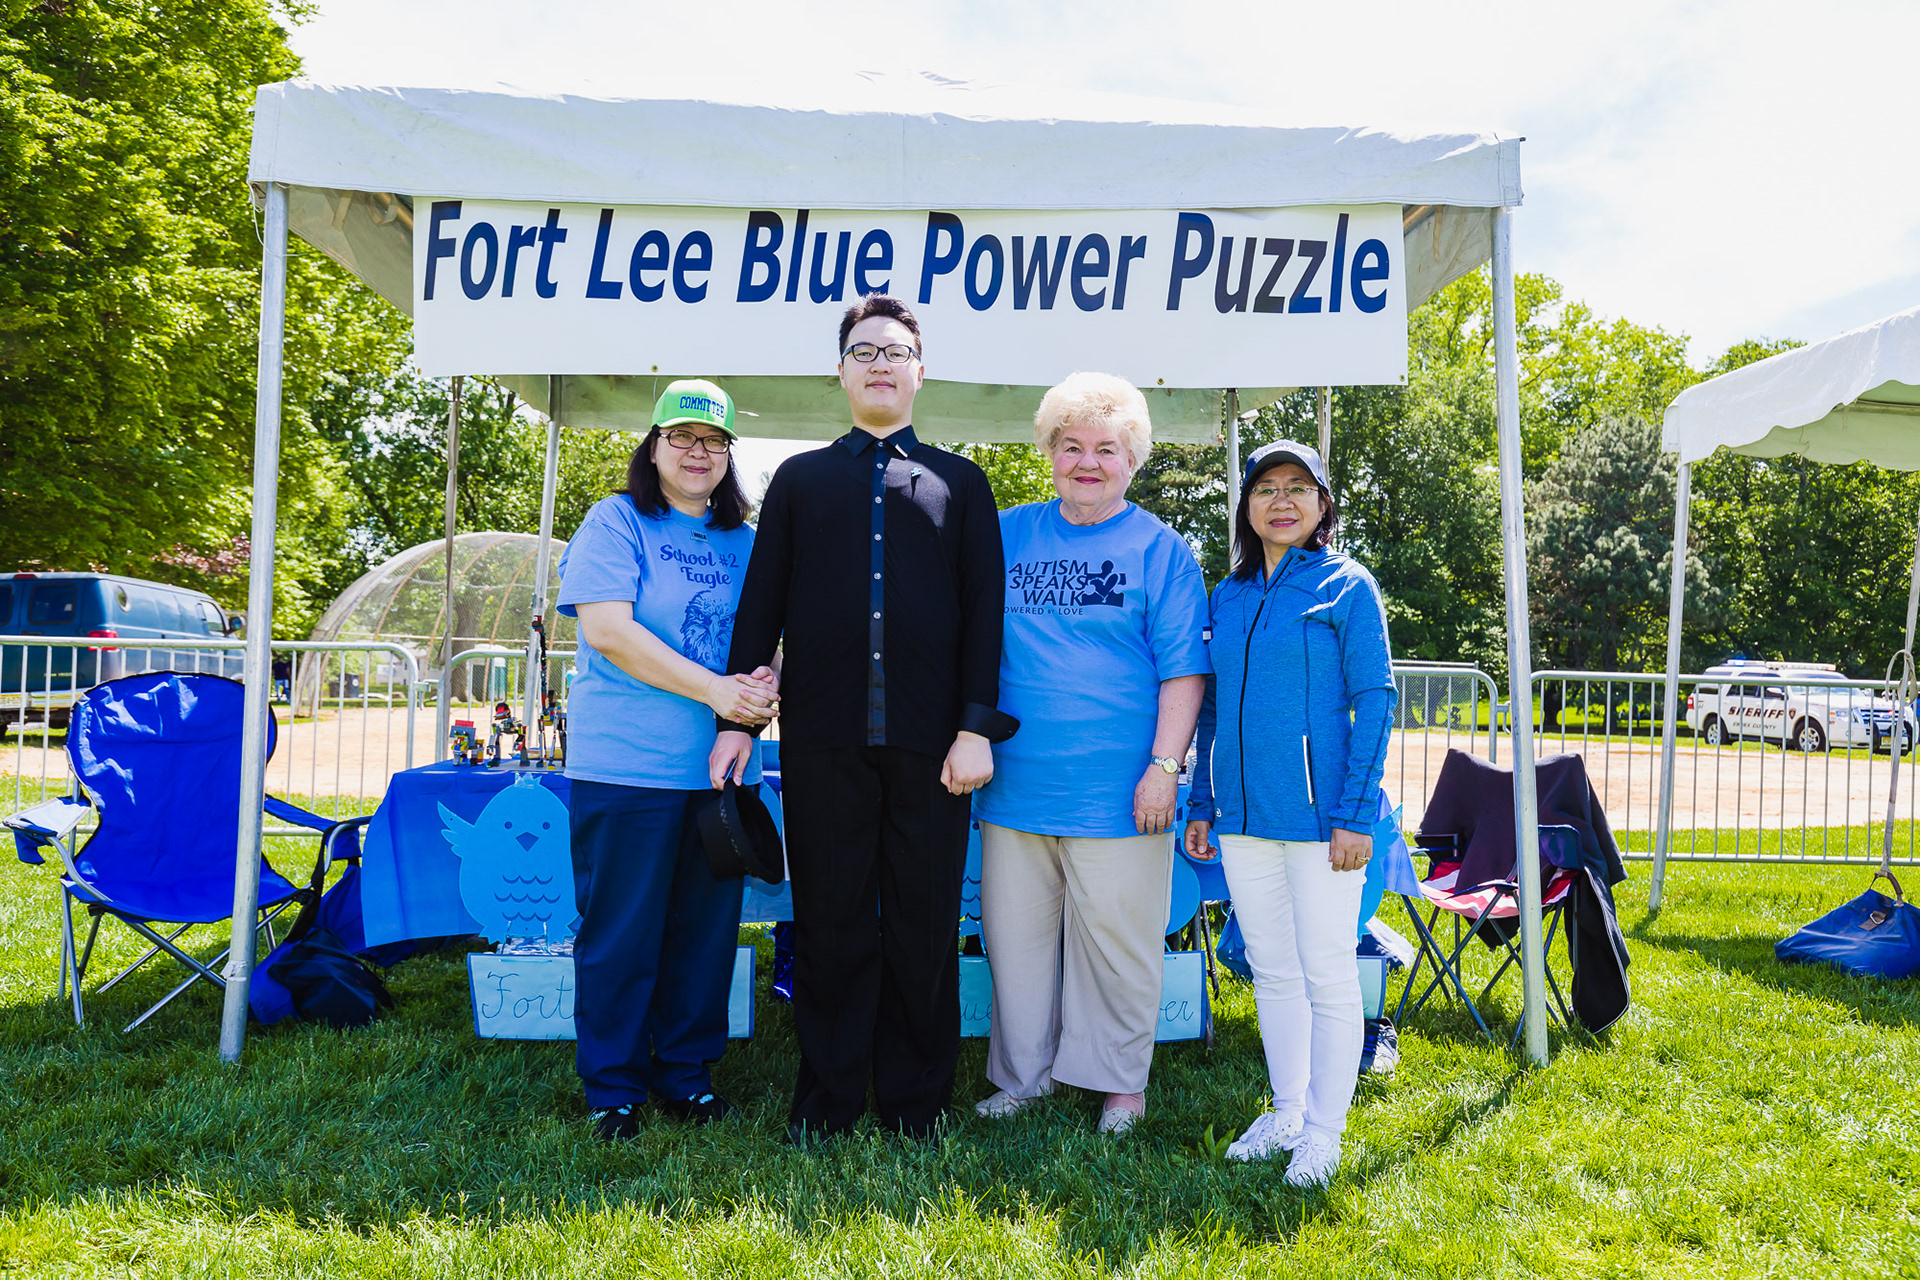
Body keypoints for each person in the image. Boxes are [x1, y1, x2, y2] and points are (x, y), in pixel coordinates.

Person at [712, 294, 1015, 1145]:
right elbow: (762, 604)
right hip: (822, 739)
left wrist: (974, 728)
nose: (881, 364)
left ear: (920, 370)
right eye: (864, 352)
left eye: (895, 351)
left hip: (934, 745)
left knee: (924, 924)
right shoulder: (800, 481)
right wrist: (738, 723)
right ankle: (830, 1100)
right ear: (841, 371)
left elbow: (984, 615)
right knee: (832, 920)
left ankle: (917, 1103)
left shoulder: (962, 483)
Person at [970, 373, 1209, 1136]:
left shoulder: (1161, 551)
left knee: (1118, 947)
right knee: (1016, 945)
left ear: (1133, 459)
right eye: (1070, 446)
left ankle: (1120, 1087)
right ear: (1049, 452)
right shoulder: (1006, 533)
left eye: (1107, 449)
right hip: (1015, 787)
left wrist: (1164, 770)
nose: (1087, 463)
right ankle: (1023, 1079)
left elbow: (1183, 672)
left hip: (1121, 790)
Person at [556, 379, 778, 1142]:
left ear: (729, 456)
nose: (697, 452)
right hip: (625, 767)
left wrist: (763, 688)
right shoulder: (615, 521)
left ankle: (686, 1075)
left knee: (704, 935)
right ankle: (612, 1086)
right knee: (621, 932)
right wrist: (718, 691)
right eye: (680, 437)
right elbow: (609, 631)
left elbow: (771, 640)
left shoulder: (748, 542)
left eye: (713, 441)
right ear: (652, 448)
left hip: (719, 773)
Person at [1183, 439, 1395, 1186]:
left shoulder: (1348, 586)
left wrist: (1355, 814)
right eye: (1266, 487)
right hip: (1243, 819)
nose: (1281, 499)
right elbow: (1210, 706)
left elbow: (1376, 700)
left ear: (1322, 504)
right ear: (1247, 506)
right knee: (1272, 972)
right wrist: (1203, 801)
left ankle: (1324, 1134)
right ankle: (1287, 1110)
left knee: (1328, 975)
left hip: (1321, 821)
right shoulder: (1229, 595)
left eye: (1298, 487)